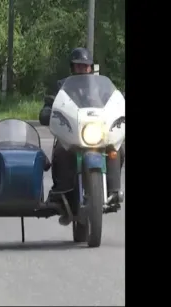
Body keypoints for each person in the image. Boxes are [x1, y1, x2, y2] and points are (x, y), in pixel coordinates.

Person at [38, 47, 125, 206]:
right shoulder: (61, 86)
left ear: (91, 67)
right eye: (78, 66)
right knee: (60, 150)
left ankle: (113, 190)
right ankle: (61, 190)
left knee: (116, 148)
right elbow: (50, 102)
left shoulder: (100, 88)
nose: (82, 69)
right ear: (72, 68)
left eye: (85, 66)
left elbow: (114, 100)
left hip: (97, 132)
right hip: (73, 134)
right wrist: (47, 110)